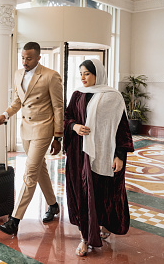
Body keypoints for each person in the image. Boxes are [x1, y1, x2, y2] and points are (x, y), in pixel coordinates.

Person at [64, 59, 133, 257]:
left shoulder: (113, 96)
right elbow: (67, 117)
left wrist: (120, 155)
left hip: (103, 153)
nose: (83, 77)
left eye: (86, 73)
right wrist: (74, 126)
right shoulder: (77, 94)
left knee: (101, 193)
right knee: (82, 194)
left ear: (97, 74)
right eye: (81, 74)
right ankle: (84, 238)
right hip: (80, 154)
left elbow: (122, 127)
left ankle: (102, 224)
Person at [0, 42, 64, 236]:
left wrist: (58, 136)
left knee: (30, 173)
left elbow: (59, 107)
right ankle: (53, 205)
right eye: (23, 58)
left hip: (43, 129)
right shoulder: (18, 74)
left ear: (39, 58)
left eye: (29, 58)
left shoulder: (51, 76)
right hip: (25, 130)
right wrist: (5, 115)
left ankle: (14, 220)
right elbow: (17, 101)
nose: (25, 61)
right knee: (40, 169)